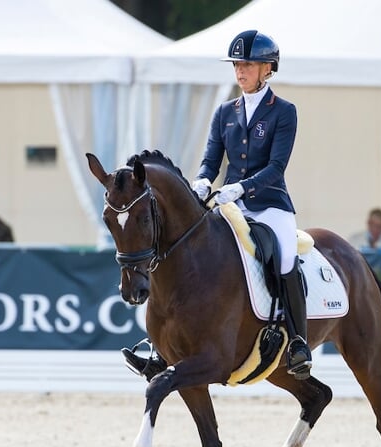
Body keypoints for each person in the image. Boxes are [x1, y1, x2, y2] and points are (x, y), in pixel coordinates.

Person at [123, 29, 312, 380]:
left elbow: (276, 168)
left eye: (248, 65)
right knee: (192, 251)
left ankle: (298, 341)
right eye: (238, 64)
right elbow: (212, 159)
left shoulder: (284, 112)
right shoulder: (225, 111)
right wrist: (203, 180)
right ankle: (164, 347)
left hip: (270, 204)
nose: (240, 71)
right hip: (228, 203)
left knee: (285, 256)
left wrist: (239, 188)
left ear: (267, 68)